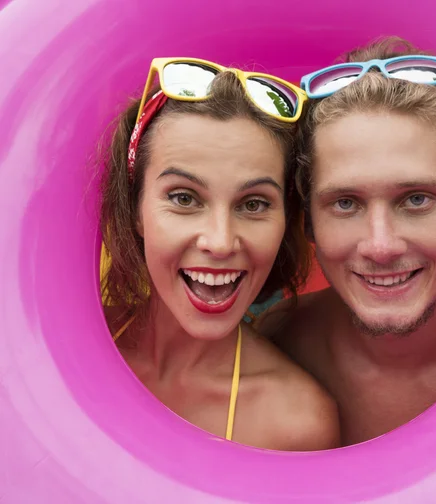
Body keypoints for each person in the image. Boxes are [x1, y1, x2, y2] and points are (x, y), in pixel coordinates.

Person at [259, 38, 436, 446]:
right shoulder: (275, 344)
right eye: (346, 203)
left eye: (417, 199)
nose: (381, 246)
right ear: (310, 222)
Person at [100, 57, 339, 450]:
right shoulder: (49, 356)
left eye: (254, 204)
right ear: (137, 209)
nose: (221, 241)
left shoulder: (295, 423)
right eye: (184, 198)